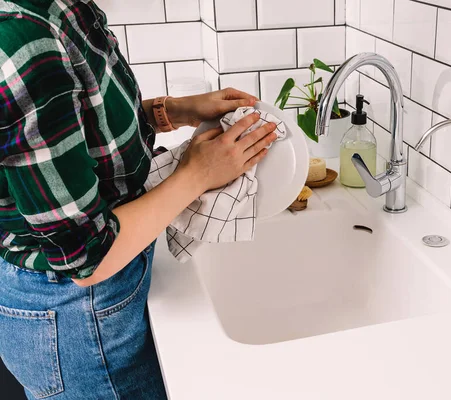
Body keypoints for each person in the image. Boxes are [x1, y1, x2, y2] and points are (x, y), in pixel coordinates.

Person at [0, 1, 277, 399]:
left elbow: (85, 130)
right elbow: (85, 256)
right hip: (73, 312)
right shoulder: (20, 40)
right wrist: (199, 173)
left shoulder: (59, 8)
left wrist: (173, 111)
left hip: (99, 298)